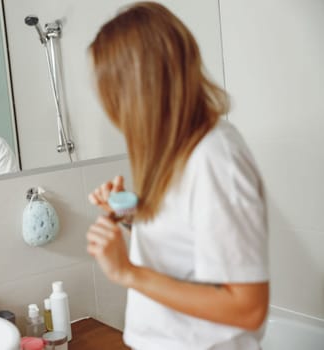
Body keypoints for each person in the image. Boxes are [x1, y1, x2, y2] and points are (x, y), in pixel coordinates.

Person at [85, 2, 269, 349]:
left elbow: (249, 309)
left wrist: (126, 271)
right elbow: (189, 239)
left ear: (141, 87)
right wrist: (130, 213)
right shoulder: (179, 149)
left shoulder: (214, 157)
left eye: (112, 91)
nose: (112, 107)